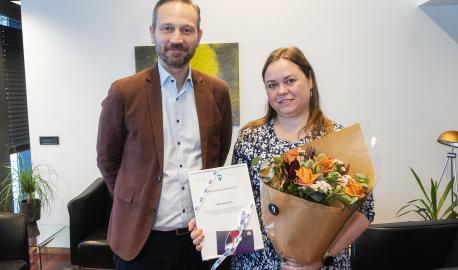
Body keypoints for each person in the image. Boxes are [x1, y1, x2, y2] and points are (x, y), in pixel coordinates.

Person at [190, 46, 374, 270]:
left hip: (319, 265)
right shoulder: (250, 137)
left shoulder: (337, 138)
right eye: (272, 85)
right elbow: (235, 202)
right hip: (255, 263)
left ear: (310, 80)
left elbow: (365, 211)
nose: (281, 91)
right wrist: (208, 227)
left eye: (290, 81)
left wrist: (322, 258)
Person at [96, 0, 232, 269]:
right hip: (141, 242)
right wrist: (132, 201)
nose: (177, 39)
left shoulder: (218, 91)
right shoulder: (124, 92)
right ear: (152, 33)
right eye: (167, 28)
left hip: (199, 240)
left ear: (199, 36)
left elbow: (218, 153)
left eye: (187, 30)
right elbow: (107, 160)